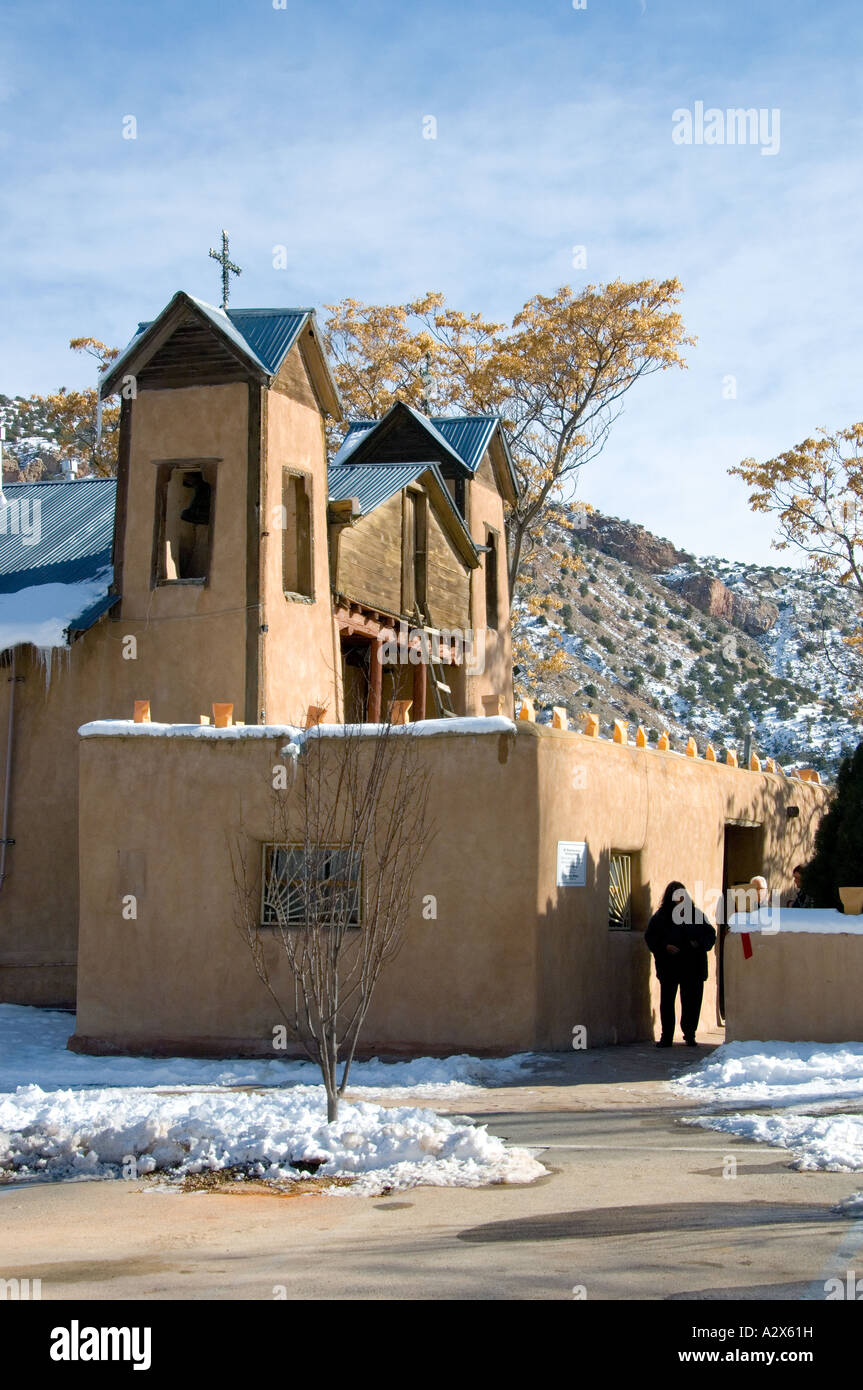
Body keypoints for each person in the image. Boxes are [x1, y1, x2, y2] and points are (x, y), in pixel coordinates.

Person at [645, 881, 717, 1048]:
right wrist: (665, 947)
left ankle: (690, 1034)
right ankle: (666, 1036)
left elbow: (709, 935)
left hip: (693, 965)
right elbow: (651, 938)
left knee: (692, 1001)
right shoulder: (661, 917)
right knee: (668, 1001)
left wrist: (698, 944)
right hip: (669, 966)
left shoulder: (695, 914)